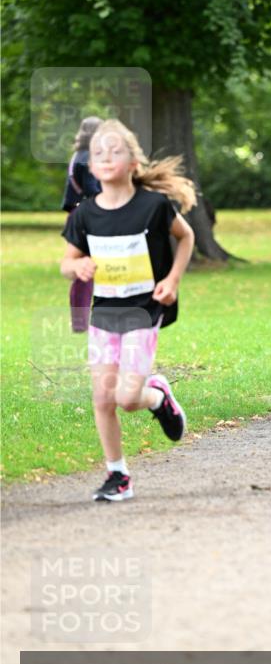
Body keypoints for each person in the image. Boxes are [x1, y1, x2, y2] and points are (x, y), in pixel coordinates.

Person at [60, 119, 196, 501]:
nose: (105, 157)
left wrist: (172, 280)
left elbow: (186, 238)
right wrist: (78, 267)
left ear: (133, 161)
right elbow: (66, 262)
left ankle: (157, 396)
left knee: (127, 398)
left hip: (142, 313)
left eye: (115, 150)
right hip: (103, 316)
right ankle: (117, 475)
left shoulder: (153, 206)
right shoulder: (85, 213)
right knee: (103, 399)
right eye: (98, 152)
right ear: (90, 164)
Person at [62, 117, 103, 333]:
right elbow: (91, 190)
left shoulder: (77, 156)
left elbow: (69, 197)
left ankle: (79, 320)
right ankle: (81, 321)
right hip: (90, 215)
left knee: (83, 269)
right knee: (85, 270)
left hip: (78, 214)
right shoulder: (87, 157)